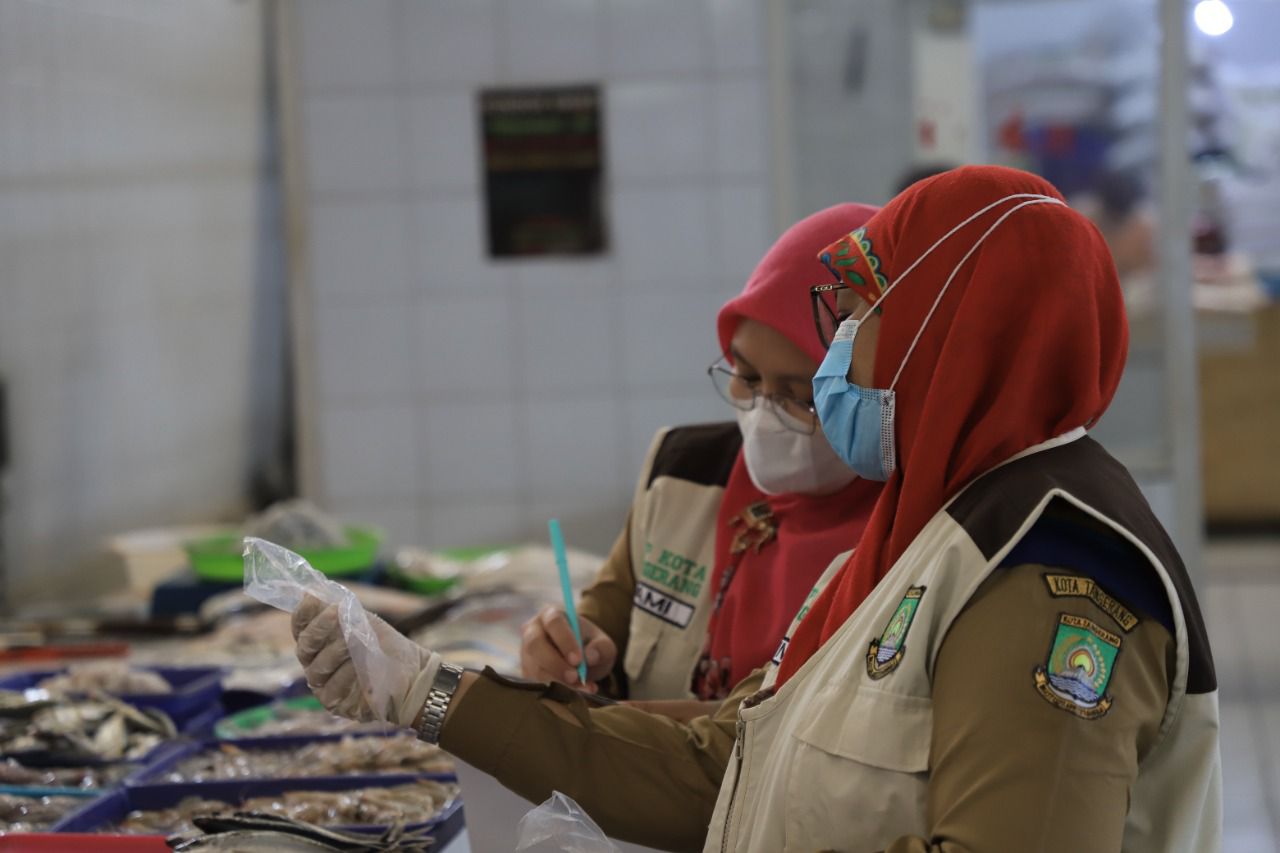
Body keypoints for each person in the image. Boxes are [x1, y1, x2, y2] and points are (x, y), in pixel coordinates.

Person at [292, 166, 1220, 853]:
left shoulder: (1048, 577)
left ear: (947, 330)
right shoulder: (932, 530)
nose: (839, 350)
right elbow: (727, 757)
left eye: (862, 310)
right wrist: (428, 690)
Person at [518, 204, 884, 710]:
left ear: (874, 387)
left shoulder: (908, 526)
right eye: (747, 375)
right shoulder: (683, 473)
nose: (762, 412)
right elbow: (611, 609)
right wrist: (565, 646)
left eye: (800, 395)